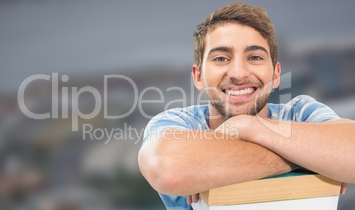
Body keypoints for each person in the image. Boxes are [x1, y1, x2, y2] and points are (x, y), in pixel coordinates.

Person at [138, 2, 355, 210]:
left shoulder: (300, 112)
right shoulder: (178, 122)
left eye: (255, 57)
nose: (238, 73)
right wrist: (313, 157)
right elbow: (169, 171)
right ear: (198, 77)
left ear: (276, 73)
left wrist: (249, 127)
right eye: (221, 58)